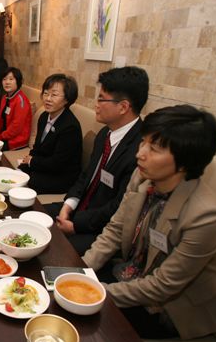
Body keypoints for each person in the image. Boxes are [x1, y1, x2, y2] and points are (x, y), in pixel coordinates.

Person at [83, 105, 216, 340]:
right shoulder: (142, 175)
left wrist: (92, 292)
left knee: (95, 322)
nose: (140, 153)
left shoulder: (205, 217)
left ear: (185, 162)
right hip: (133, 272)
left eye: (154, 149)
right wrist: (82, 270)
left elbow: (163, 286)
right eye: (143, 142)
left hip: (175, 306)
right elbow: (115, 229)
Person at [46, 66, 148, 254]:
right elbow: (86, 176)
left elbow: (117, 207)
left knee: (53, 253)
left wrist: (75, 224)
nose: (96, 104)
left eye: (101, 99)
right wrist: (68, 206)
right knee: (32, 215)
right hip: (80, 209)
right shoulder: (105, 133)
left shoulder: (140, 150)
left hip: (102, 228)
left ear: (123, 107)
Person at [18, 74, 82, 194]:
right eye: (46, 93)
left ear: (67, 99)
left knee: (28, 182)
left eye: (54, 95)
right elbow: (37, 148)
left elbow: (58, 163)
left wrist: (32, 162)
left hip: (61, 176)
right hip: (44, 167)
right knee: (17, 175)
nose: (48, 99)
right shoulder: (44, 116)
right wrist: (25, 165)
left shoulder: (70, 127)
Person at [0, 67, 32, 151]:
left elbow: (16, 128)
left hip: (16, 141)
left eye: (11, 79)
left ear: (18, 81)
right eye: (4, 79)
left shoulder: (21, 101)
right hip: (5, 137)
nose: (7, 82)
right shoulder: (5, 97)